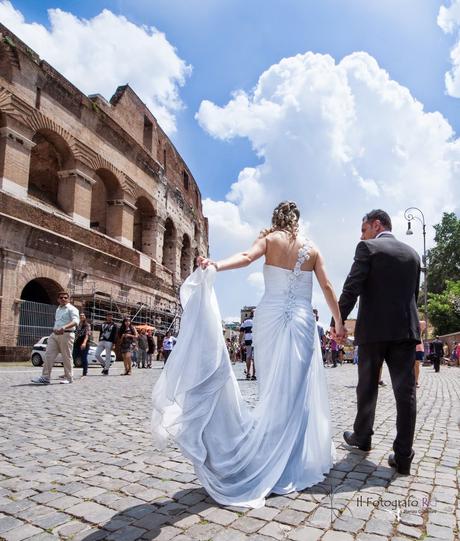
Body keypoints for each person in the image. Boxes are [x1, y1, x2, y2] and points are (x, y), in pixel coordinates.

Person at [152, 200, 344, 508]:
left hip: (269, 316)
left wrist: (216, 264)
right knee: (298, 388)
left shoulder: (270, 240)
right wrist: (338, 322)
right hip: (302, 319)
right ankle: (293, 451)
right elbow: (327, 286)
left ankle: (271, 447)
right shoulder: (313, 248)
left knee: (272, 386)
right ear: (298, 220)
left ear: (276, 219)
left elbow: (245, 257)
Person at [333, 209, 421, 476]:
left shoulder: (368, 248)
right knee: (405, 393)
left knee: (368, 387)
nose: (362, 235)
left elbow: (352, 287)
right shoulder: (413, 255)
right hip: (405, 331)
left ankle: (363, 437)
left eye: (363, 229)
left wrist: (338, 320)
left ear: (376, 225)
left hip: (373, 332)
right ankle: (403, 456)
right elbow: (413, 296)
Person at [32, 291, 79, 384]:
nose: (63, 299)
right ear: (58, 299)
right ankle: (45, 377)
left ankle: (69, 378)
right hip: (54, 335)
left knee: (66, 356)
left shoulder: (72, 309)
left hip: (66, 334)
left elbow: (76, 321)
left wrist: (64, 327)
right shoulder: (58, 309)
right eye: (61, 297)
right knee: (48, 355)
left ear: (68, 299)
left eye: (65, 297)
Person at [73, 313, 91, 378]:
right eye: (80, 316)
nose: (82, 316)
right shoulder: (77, 325)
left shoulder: (87, 325)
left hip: (84, 344)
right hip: (76, 343)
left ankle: (84, 373)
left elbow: (87, 335)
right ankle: (68, 373)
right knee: (73, 357)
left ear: (85, 317)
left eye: (83, 315)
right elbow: (74, 334)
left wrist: (84, 343)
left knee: (84, 358)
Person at [240, 311, 256, 380]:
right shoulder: (259, 320)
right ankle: (254, 375)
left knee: (248, 356)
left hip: (248, 340)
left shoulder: (245, 322)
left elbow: (241, 332)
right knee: (255, 358)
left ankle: (248, 373)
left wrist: (240, 341)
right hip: (256, 340)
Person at [415, 320, 426, 387]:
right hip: (411, 348)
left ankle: (416, 381)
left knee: (416, 366)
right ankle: (412, 381)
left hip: (418, 348)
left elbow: (422, 326)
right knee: (410, 366)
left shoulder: (421, 322)